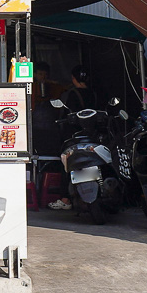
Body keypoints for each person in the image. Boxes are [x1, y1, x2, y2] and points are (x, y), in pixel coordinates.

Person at [47, 64, 98, 210]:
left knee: (68, 165)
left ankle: (65, 199)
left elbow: (63, 116)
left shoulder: (71, 94)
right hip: (92, 135)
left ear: (73, 78)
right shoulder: (94, 94)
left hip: (74, 136)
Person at [31, 62, 65, 157]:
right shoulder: (31, 88)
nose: (43, 77)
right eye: (40, 74)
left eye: (45, 74)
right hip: (35, 127)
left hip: (52, 127)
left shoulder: (54, 87)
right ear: (34, 75)